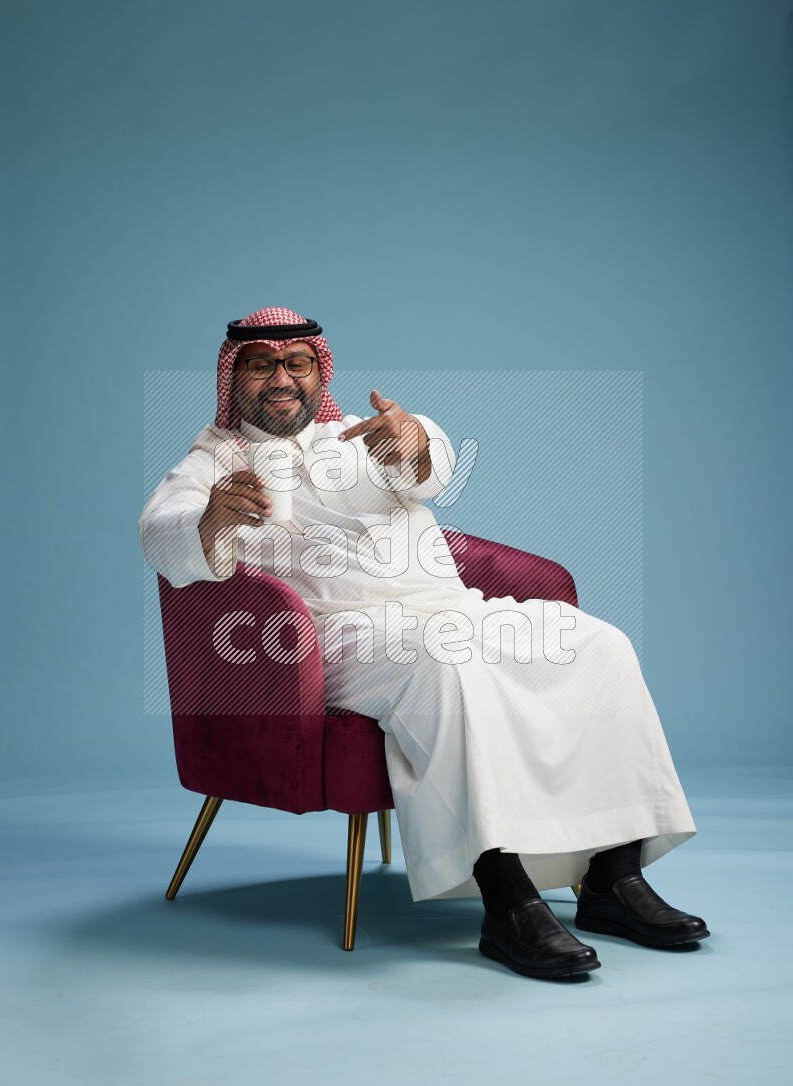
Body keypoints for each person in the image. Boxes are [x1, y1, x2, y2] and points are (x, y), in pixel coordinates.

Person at [139, 305, 709, 980]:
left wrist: (414, 444)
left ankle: (616, 878)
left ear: (319, 371)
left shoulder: (363, 436)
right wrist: (210, 520)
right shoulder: (211, 462)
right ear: (235, 378)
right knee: (448, 665)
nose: (281, 379)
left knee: (597, 644)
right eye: (261, 366)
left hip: (448, 608)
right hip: (333, 639)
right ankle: (506, 901)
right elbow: (159, 535)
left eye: (296, 363)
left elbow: (428, 462)